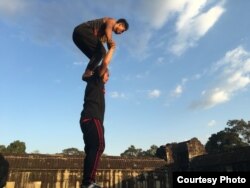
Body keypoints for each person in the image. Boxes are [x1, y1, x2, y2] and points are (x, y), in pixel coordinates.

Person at [79, 40, 116, 188]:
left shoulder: (95, 84)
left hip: (88, 119)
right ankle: (89, 182)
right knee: (99, 145)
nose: (108, 78)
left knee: (91, 149)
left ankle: (87, 181)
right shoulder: (96, 80)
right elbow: (105, 62)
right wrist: (112, 48)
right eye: (107, 75)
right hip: (93, 118)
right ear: (102, 73)